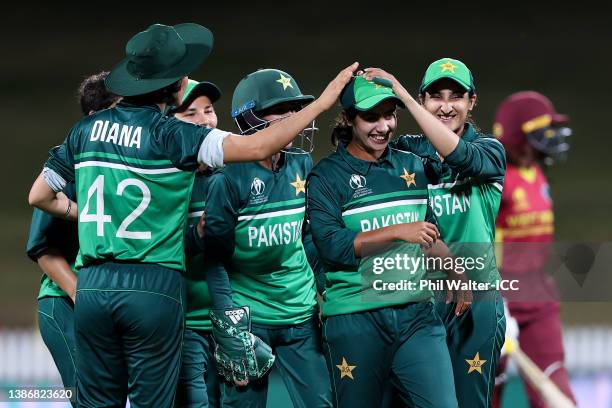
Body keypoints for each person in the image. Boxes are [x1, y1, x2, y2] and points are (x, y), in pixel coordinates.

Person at [27, 22, 357, 408]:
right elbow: (257, 147)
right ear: (176, 86)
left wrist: (83, 213)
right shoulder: (172, 134)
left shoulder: (86, 129)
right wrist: (323, 102)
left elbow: (39, 195)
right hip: (154, 283)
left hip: (95, 284)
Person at [306, 74, 469, 408]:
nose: (383, 126)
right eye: (371, 117)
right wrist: (397, 231)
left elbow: (429, 232)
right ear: (349, 119)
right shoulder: (326, 177)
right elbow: (333, 249)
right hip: (355, 319)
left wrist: (456, 271)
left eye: (389, 115)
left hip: (417, 317)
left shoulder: (412, 166)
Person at [365, 58, 506, 408]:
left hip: (476, 303)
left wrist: (405, 100)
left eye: (456, 96)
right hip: (415, 302)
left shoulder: (490, 152)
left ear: (472, 102)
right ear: (424, 99)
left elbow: (462, 159)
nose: (446, 106)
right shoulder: (406, 153)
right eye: (435, 96)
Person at [204, 68, 332, 408]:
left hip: (301, 316)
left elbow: (306, 238)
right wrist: (229, 323)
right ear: (249, 118)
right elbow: (214, 258)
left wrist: (326, 289)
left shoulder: (301, 164)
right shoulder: (226, 179)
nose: (293, 119)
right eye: (281, 110)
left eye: (295, 110)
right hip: (250, 319)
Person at [25, 71, 120, 407]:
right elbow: (40, 246)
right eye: (121, 109)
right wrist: (81, 293)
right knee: (89, 397)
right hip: (66, 302)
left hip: (109, 301)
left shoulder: (131, 164)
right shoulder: (68, 165)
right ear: (96, 118)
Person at [492, 91, 575, 408]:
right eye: (540, 129)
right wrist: (493, 300)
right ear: (516, 135)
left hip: (538, 295)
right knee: (486, 391)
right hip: (500, 295)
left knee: (555, 388)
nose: (549, 138)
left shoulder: (537, 172)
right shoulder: (496, 178)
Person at [172, 78, 224, 408]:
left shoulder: (229, 171)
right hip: (183, 323)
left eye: (208, 110)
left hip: (228, 322)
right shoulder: (163, 177)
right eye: (191, 113)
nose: (205, 120)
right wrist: (197, 235)